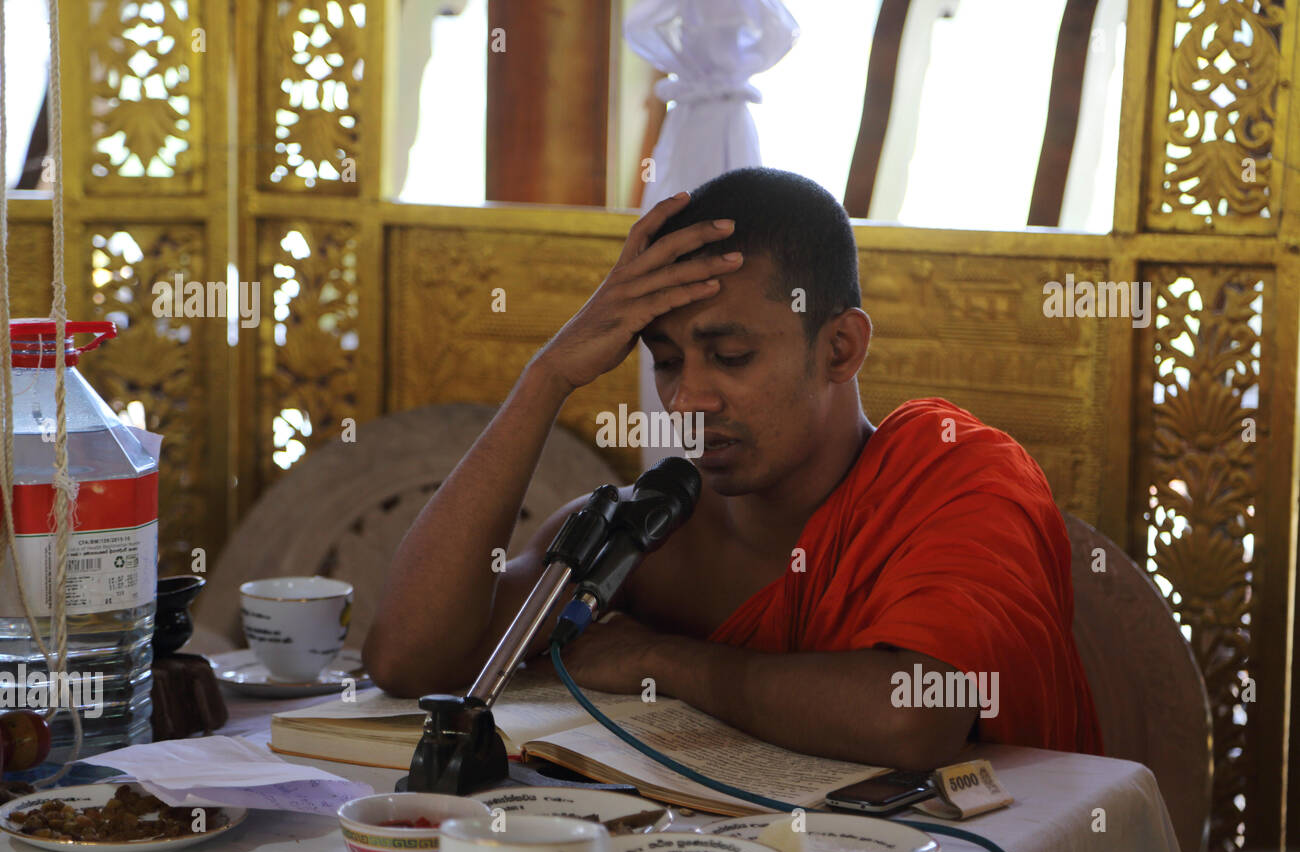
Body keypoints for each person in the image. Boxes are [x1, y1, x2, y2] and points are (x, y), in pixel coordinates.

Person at [364, 167, 1102, 770]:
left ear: (840, 348)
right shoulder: (649, 533)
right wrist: (547, 376)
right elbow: (409, 659)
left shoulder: (957, 478)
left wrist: (665, 661)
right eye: (666, 362)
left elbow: (913, 716)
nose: (688, 398)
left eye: (732, 356)